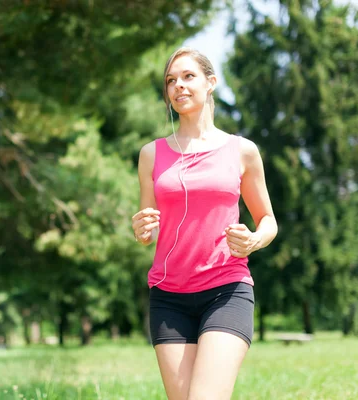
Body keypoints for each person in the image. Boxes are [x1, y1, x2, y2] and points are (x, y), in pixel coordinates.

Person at [131, 47, 278, 400]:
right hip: (168, 297)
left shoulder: (242, 151)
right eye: (171, 80)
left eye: (188, 76)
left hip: (226, 289)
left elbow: (268, 220)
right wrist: (141, 230)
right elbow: (147, 231)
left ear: (211, 82)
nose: (178, 86)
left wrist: (254, 240)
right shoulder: (151, 154)